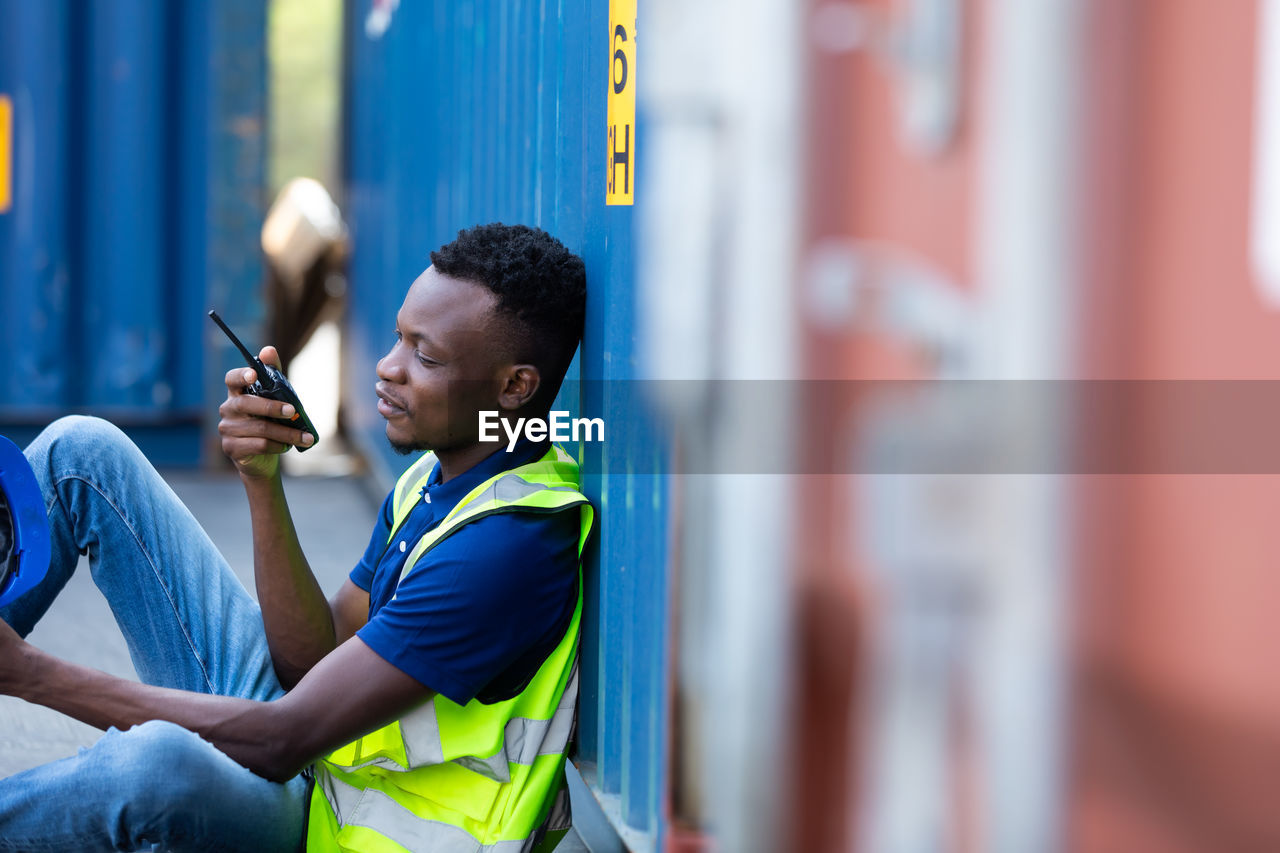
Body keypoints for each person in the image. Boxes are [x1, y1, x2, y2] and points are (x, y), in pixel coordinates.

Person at [0, 222, 592, 853]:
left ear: (513, 387)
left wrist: (32, 675)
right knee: (83, 453)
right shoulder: (442, 475)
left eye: (425, 356)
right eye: (398, 337)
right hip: (317, 770)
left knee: (154, 767)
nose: (388, 368)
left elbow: (282, 740)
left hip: (330, 829)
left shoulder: (503, 549)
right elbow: (311, 659)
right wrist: (262, 479)